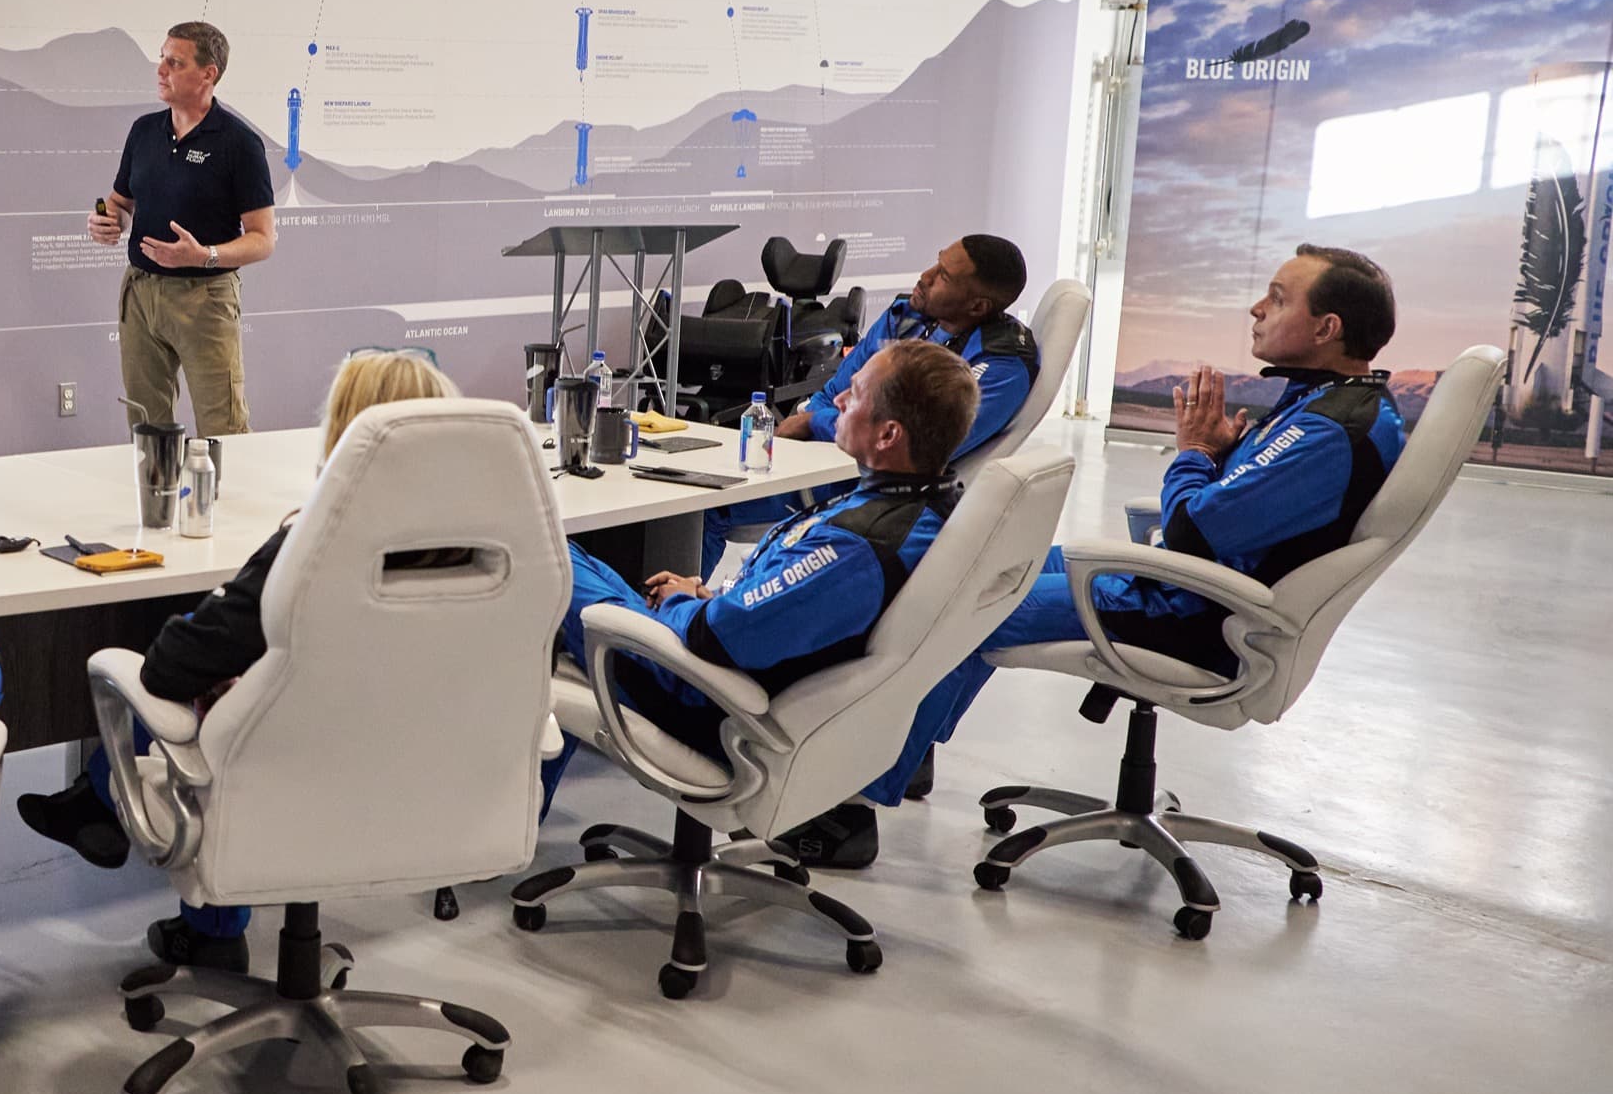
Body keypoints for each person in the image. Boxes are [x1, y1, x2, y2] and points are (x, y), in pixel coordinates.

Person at [897, 244, 1405, 810]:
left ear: (1326, 328)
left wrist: (1196, 452)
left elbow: (1191, 527)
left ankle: (856, 806)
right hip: (1196, 588)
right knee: (980, 567)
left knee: (962, 607)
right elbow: (1230, 506)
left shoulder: (1329, 431)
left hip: (1193, 612)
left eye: (1278, 299)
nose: (1257, 309)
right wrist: (1219, 459)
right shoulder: (1330, 404)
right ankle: (904, 755)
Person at [14, 349, 456, 971]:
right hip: (416, 778)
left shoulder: (314, 548)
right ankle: (95, 799)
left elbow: (170, 665)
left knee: (200, 676)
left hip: (292, 774)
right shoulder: (474, 552)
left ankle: (197, 911)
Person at [564, 339, 984, 872]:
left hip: (704, 697)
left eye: (852, 398)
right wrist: (705, 594)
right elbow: (782, 610)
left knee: (543, 565)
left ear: (888, 434)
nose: (837, 406)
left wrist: (680, 606)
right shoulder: (924, 507)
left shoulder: (857, 547)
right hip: (738, 670)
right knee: (566, 557)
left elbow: (716, 639)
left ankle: (506, 825)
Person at [703, 232, 1037, 574]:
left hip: (868, 484)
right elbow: (834, 393)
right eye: (937, 261)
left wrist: (813, 424)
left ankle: (662, 618)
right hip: (822, 454)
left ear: (978, 306)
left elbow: (920, 443)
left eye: (944, 276)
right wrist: (815, 424)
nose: (925, 276)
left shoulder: (1001, 366)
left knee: (703, 507)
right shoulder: (906, 316)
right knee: (697, 478)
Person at [90, 21, 277, 439]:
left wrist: (204, 254)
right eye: (162, 57)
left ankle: (224, 505)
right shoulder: (144, 131)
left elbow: (263, 238)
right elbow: (120, 202)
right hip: (140, 294)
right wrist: (107, 221)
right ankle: (156, 505)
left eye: (174, 62)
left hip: (204, 299)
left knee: (223, 428)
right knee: (146, 426)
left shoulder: (239, 142)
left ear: (208, 74)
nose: (161, 69)